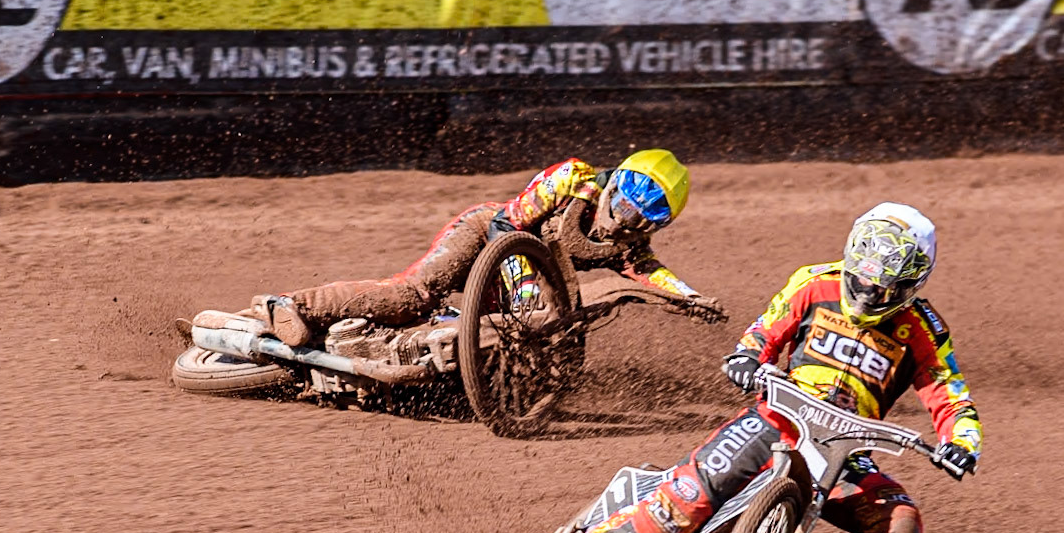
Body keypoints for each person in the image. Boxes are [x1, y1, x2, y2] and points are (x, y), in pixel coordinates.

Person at [502, 202, 982, 533]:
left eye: (885, 287)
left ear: (911, 284)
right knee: (682, 505)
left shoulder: (923, 329)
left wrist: (961, 441)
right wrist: (748, 357)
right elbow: (763, 331)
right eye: (863, 279)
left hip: (842, 457)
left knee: (901, 525)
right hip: (772, 423)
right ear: (852, 259)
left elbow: (952, 395)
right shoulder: (815, 282)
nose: (870, 292)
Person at [243, 149, 727, 346]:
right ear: (613, 183)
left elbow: (655, 276)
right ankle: (291, 304)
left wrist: (691, 298)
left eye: (645, 216)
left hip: (525, 278)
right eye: (623, 203)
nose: (624, 219)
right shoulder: (572, 178)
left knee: (546, 336)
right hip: (486, 235)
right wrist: (521, 291)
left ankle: (439, 347)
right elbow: (508, 222)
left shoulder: (630, 247)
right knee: (416, 294)